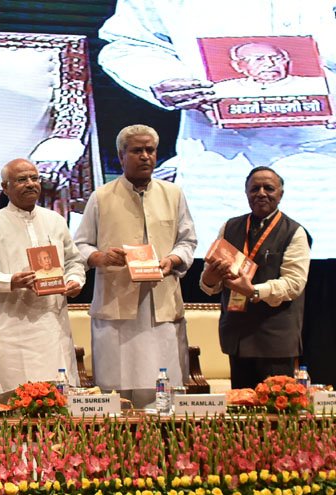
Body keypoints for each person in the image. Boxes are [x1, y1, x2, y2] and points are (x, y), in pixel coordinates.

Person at [97, 0, 336, 259]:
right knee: (222, 282)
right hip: (222, 165)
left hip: (325, 169)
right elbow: (131, 44)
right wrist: (163, 79)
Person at [73, 124, 197, 408]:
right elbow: (79, 246)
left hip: (161, 302)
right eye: (137, 150)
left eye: (150, 150)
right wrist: (100, 257)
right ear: (121, 156)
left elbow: (188, 242)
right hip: (117, 304)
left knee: (163, 388)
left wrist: (173, 260)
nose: (145, 157)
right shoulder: (102, 197)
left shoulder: (173, 194)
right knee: (118, 390)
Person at [0, 158, 86, 400]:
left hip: (51, 327)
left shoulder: (55, 220)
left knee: (58, 403)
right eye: (22, 179)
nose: (30, 184)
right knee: (18, 407)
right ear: (5, 187)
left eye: (34, 178)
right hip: (13, 329)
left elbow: (74, 261)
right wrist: (12, 280)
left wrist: (75, 280)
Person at [200, 167, 311, 389]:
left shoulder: (295, 232)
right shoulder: (230, 227)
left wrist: (253, 291)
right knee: (242, 415)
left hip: (275, 340)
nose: (261, 193)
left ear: (280, 194)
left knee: (277, 414)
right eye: (254, 189)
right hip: (237, 337)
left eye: (268, 188)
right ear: (246, 193)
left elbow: (294, 283)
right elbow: (209, 285)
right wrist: (209, 278)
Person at [213, 42, 327, 98]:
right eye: (259, 59)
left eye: (276, 58)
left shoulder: (319, 86)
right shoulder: (222, 90)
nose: (270, 64)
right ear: (238, 65)